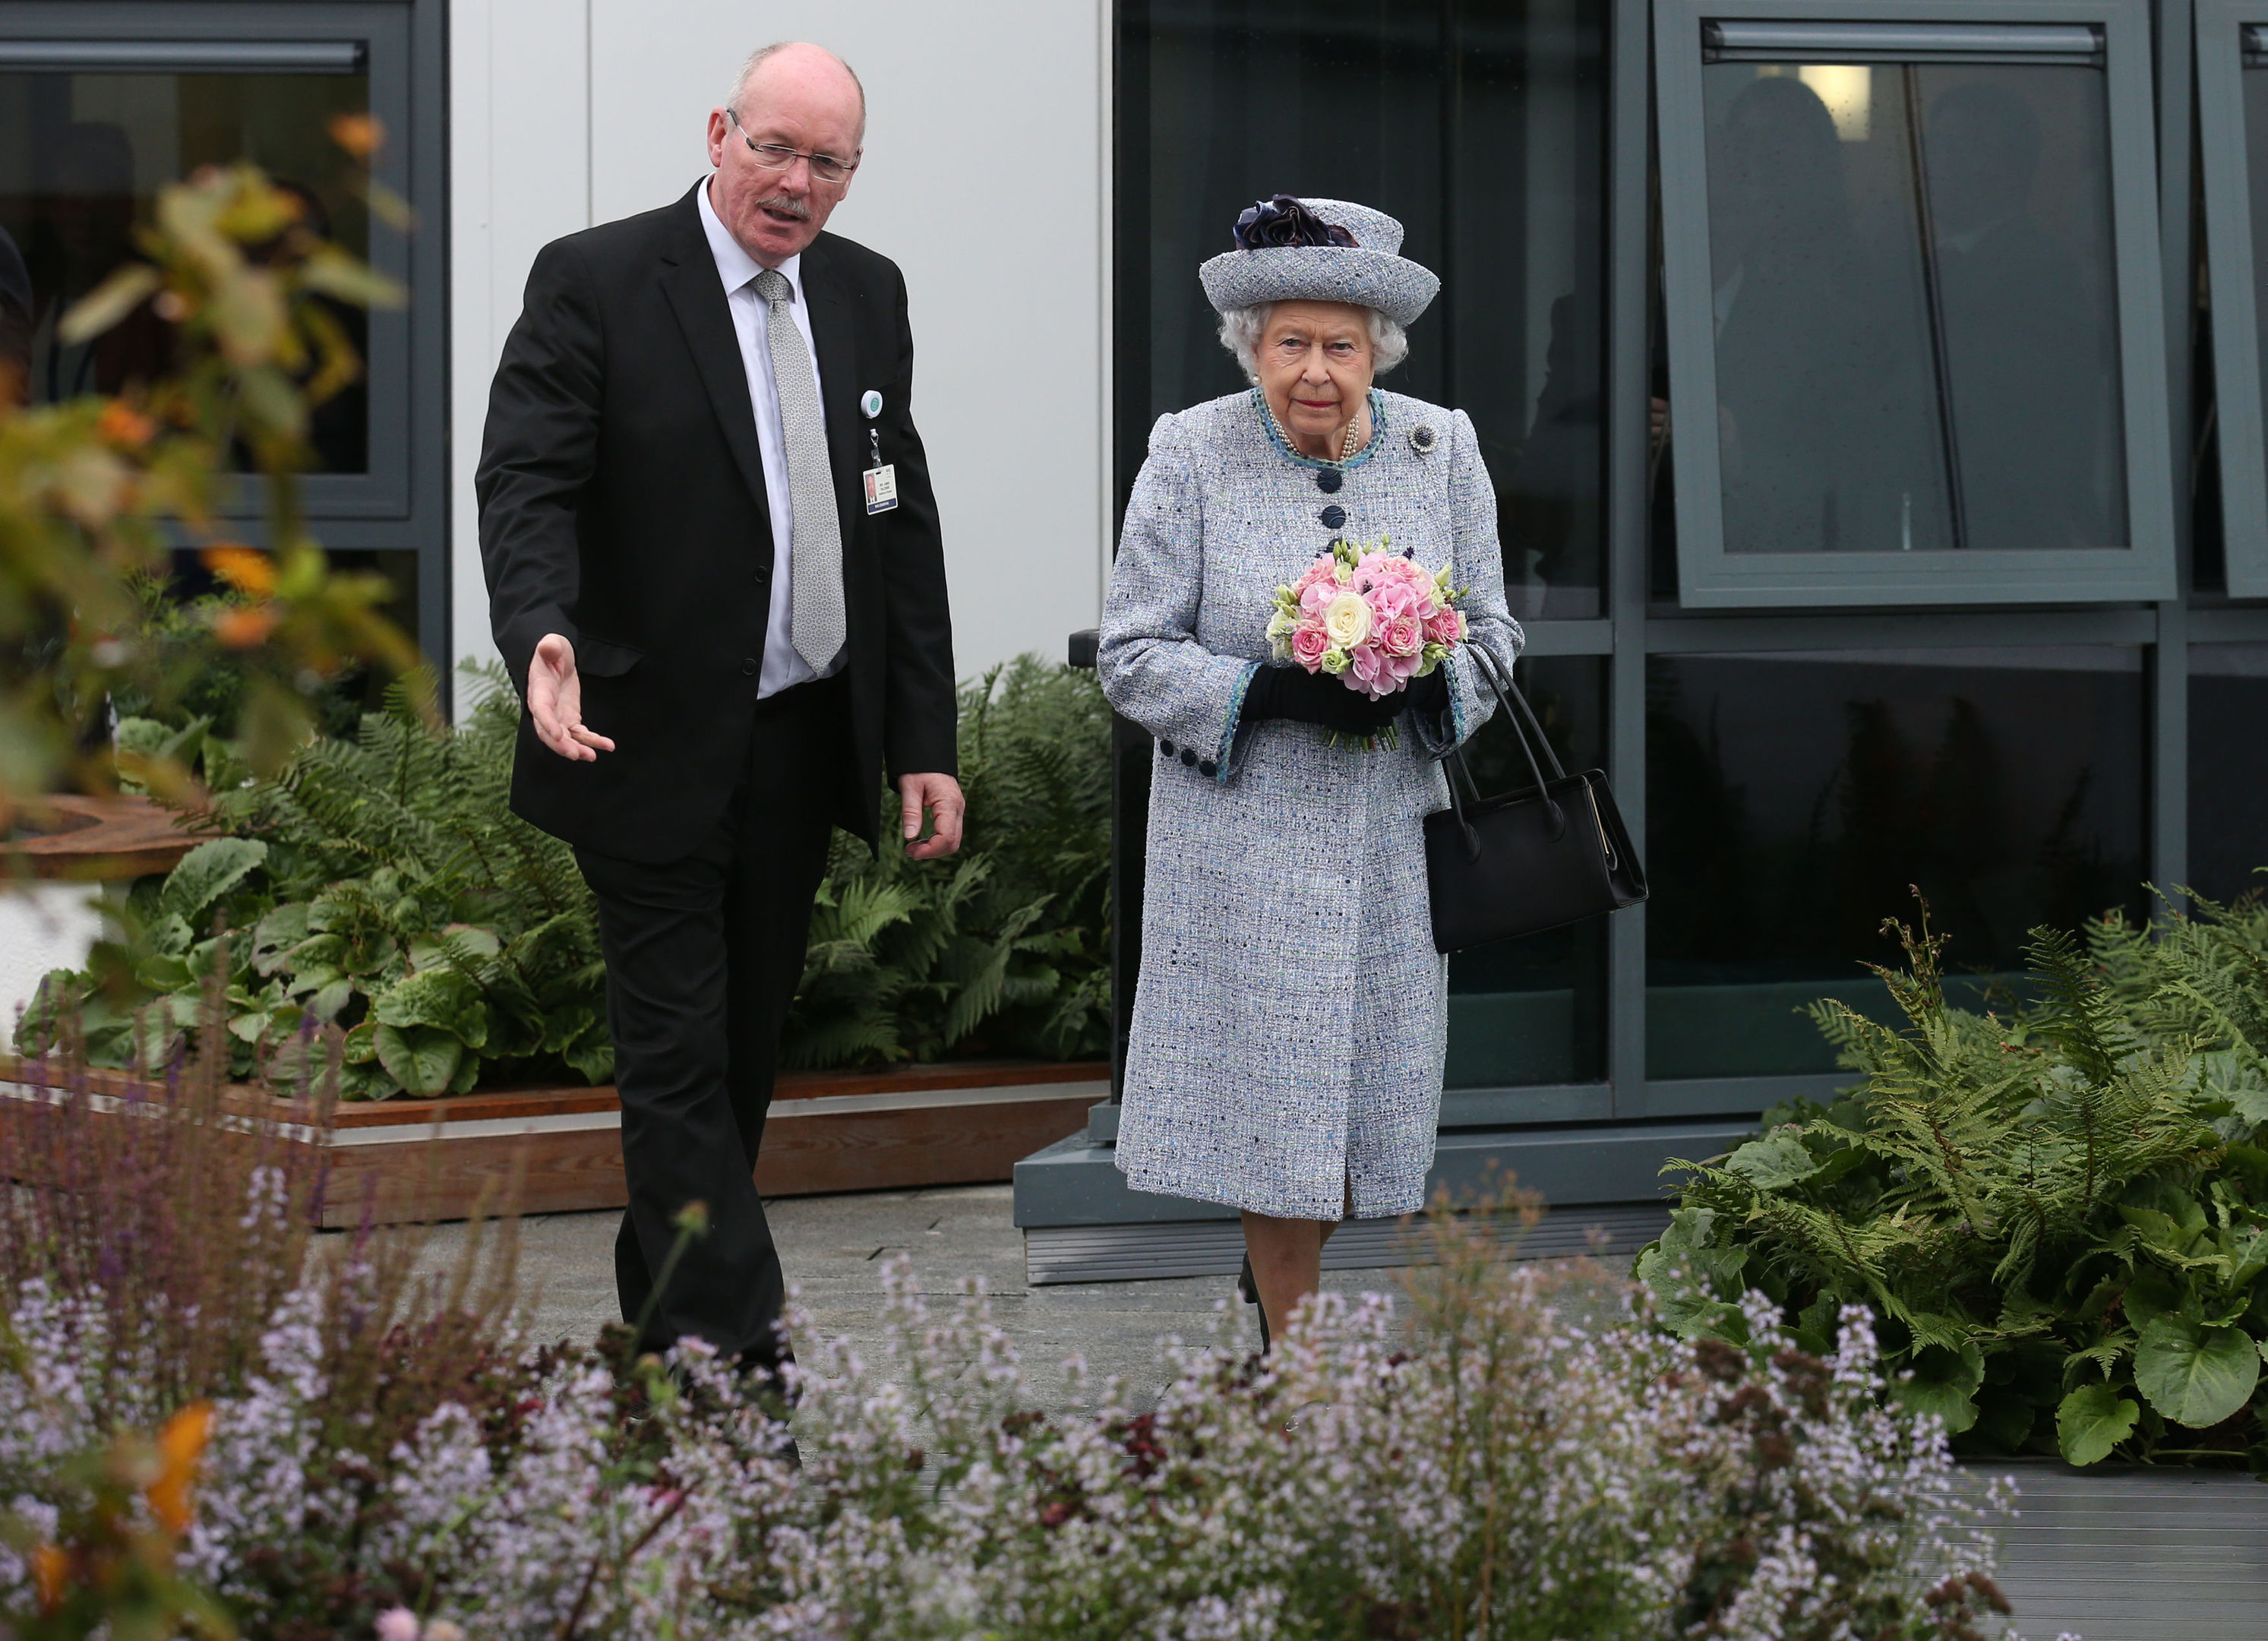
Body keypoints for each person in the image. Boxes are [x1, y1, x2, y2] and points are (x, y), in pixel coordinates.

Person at [477, 40, 962, 1384]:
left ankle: (663, 1340)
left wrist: (922, 739)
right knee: (678, 1066)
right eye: (774, 149)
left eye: (827, 163)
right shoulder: (598, 279)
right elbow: (524, 479)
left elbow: (896, 522)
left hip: (801, 743)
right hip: (641, 737)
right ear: (716, 133)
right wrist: (543, 629)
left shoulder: (868, 296)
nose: (795, 183)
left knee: (736, 1068)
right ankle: (744, 1368)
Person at [1097, 195, 1523, 1346]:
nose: (1317, 372)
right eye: (1292, 343)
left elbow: (1492, 630)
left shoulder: (1442, 447)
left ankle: (1277, 1295)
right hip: (1245, 848)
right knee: (1275, 1114)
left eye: (1341, 346)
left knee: (1353, 1119)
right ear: (1252, 347)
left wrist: (1429, 678)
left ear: (1377, 351)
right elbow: (1128, 653)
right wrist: (1269, 689)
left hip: (1387, 841)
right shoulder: (1191, 450)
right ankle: (1299, 1365)